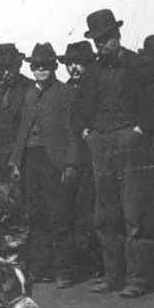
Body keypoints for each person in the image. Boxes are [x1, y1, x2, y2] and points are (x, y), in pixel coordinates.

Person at [76, 9, 154, 298]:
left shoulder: (139, 66)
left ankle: (137, 278)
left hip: (128, 141)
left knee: (133, 212)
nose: (102, 45)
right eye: (98, 42)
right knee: (105, 213)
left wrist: (138, 131)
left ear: (117, 36)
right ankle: (113, 276)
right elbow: (81, 107)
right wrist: (88, 133)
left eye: (107, 39)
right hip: (101, 144)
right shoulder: (93, 72)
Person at [9, 43, 79, 287]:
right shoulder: (28, 93)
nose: (41, 70)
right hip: (30, 158)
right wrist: (16, 161)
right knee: (35, 215)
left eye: (45, 66)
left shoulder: (65, 92)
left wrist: (70, 163)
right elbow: (21, 130)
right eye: (36, 66)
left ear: (53, 67)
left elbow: (72, 130)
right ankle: (40, 267)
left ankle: (64, 270)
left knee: (58, 215)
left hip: (54, 161)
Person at [59, 40, 102, 279]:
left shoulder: (94, 87)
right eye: (70, 64)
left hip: (92, 158)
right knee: (70, 212)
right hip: (68, 160)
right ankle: (75, 263)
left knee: (92, 211)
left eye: (79, 63)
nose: (74, 68)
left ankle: (96, 263)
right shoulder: (64, 90)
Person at [0, 43, 32, 181]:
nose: (6, 73)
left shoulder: (29, 87)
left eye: (9, 68)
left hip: (21, 154)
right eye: (2, 69)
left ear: (18, 66)